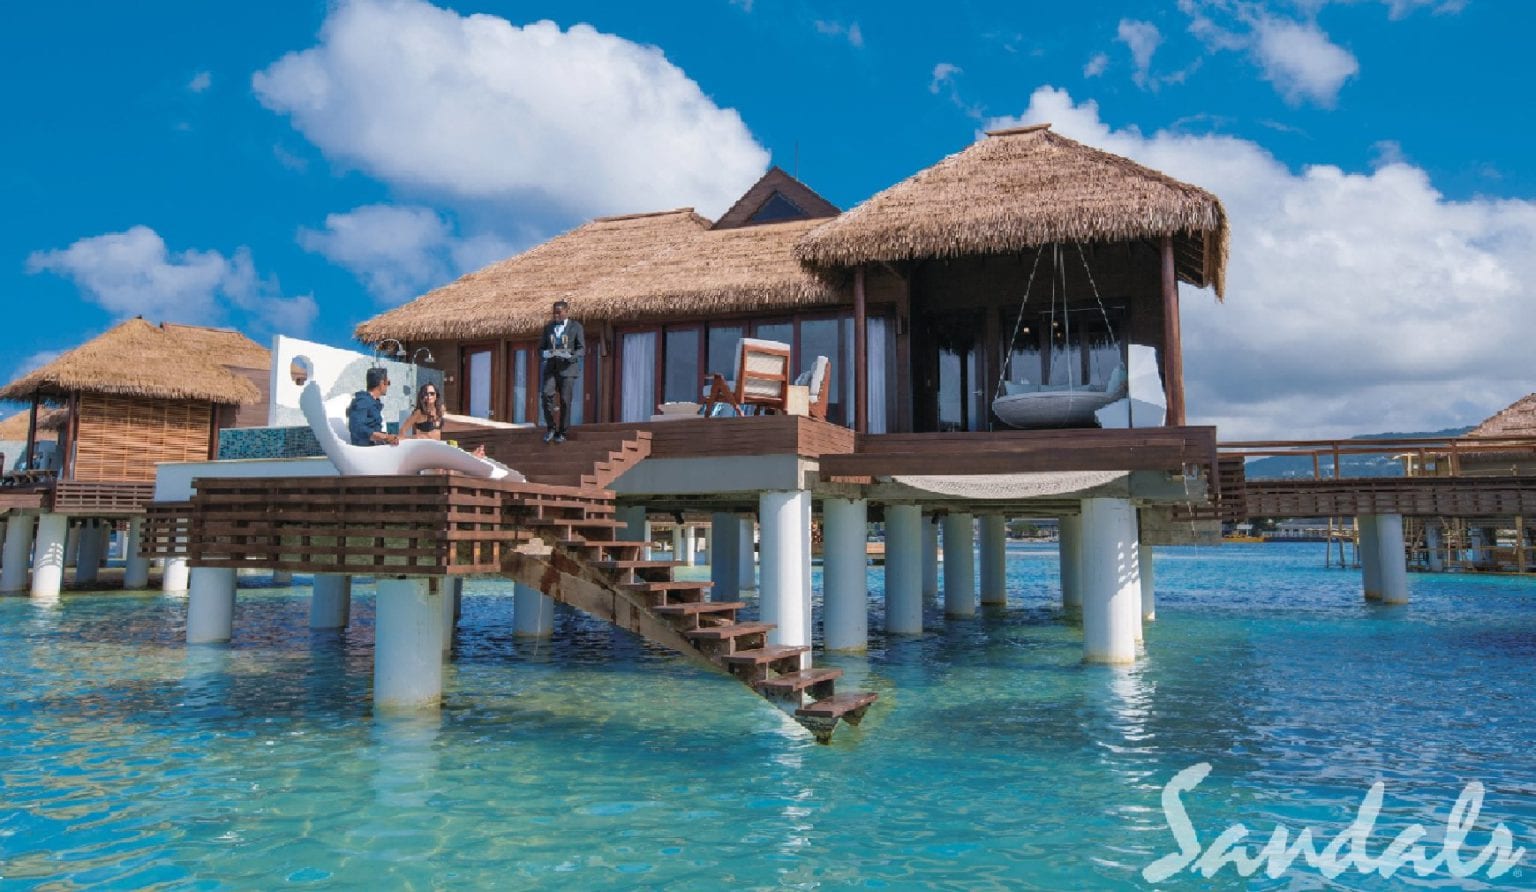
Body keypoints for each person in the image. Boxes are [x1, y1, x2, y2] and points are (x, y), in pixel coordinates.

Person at [539, 300, 584, 444]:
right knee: (546, 395)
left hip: (568, 368)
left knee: (565, 400)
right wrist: (546, 353)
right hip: (551, 368)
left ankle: (563, 432)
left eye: (558, 312)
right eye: (554, 312)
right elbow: (540, 348)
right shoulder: (548, 328)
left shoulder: (576, 327)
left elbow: (581, 348)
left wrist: (571, 356)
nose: (556, 315)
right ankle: (551, 428)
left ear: (566, 311)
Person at [401, 382, 488, 457]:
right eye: (425, 394)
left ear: (436, 395)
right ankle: (472, 455)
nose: (429, 396)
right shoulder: (419, 413)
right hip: (424, 449)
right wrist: (415, 438)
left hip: (437, 447)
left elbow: (451, 422)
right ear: (422, 396)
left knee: (452, 449)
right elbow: (402, 431)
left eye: (432, 393)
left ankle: (472, 455)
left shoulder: (440, 410)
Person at [346, 367, 399, 447]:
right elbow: (357, 427)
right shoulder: (363, 401)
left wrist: (387, 437)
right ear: (381, 383)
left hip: (375, 448)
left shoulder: (373, 402)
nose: (388, 386)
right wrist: (385, 437)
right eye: (388, 382)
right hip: (366, 452)